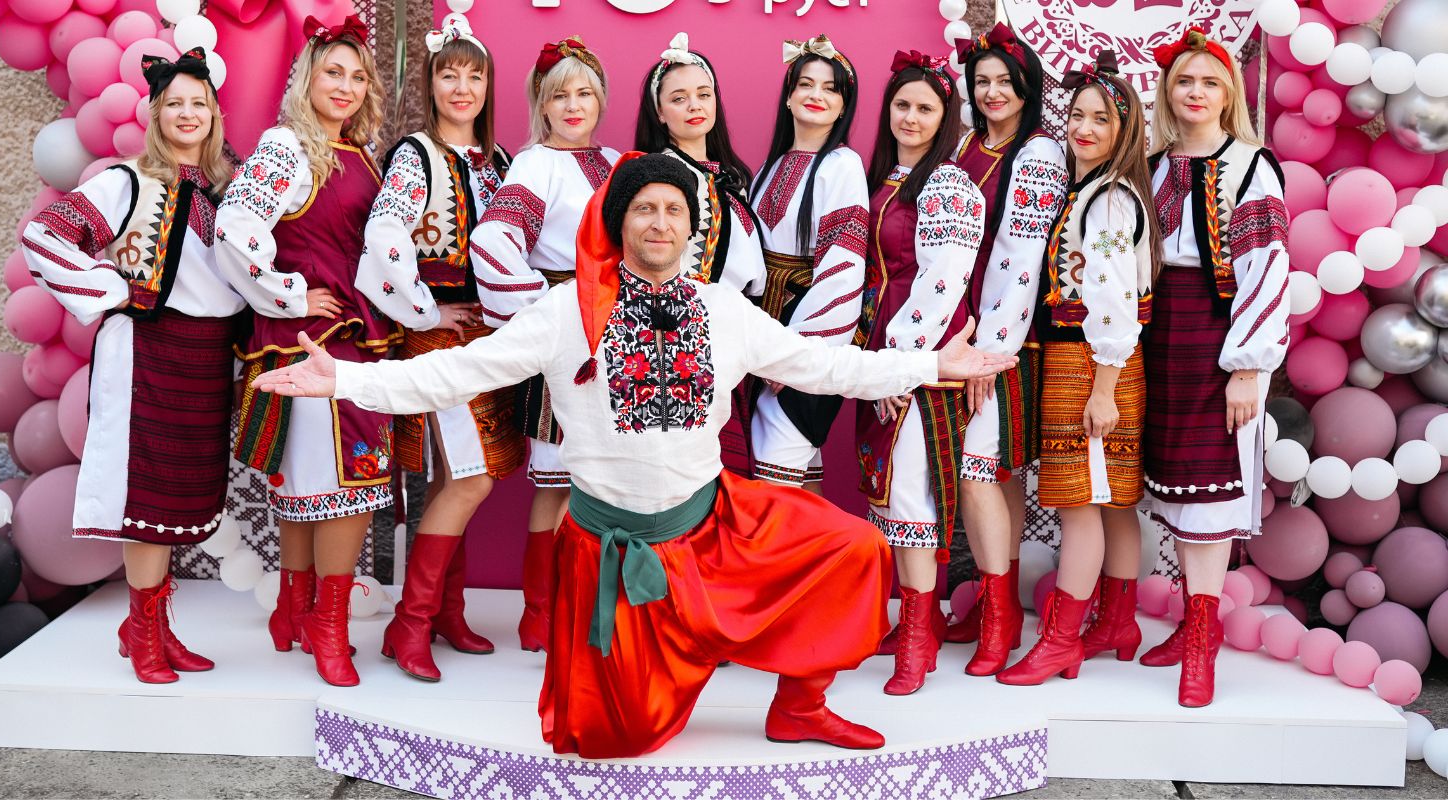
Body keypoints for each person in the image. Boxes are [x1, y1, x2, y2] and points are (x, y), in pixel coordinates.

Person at [250, 153, 1020, 758]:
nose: (659, 221)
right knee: (612, 741)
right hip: (613, 554)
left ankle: (800, 706)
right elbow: (453, 372)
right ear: (618, 223)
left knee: (850, 549)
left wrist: (931, 364)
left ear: (691, 228)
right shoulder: (564, 313)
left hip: (716, 527)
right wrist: (343, 379)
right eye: (644, 208)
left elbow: (826, 365)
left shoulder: (723, 309)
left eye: (674, 210)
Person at [20, 49, 241, 685]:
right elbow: (44, 236)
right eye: (175, 104)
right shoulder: (126, 183)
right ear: (155, 114)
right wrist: (112, 289)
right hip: (148, 352)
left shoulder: (226, 188)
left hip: (205, 357)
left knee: (179, 498)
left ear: (214, 114)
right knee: (147, 494)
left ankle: (153, 625)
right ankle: (143, 631)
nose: (188, 113)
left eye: (199, 103)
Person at [215, 15, 390, 687]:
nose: (345, 86)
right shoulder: (289, 146)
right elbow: (234, 227)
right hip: (317, 342)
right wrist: (289, 293)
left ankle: (293, 611)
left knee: (316, 484)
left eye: (357, 76)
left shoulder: (358, 151)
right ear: (306, 79)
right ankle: (328, 628)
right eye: (332, 72)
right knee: (345, 486)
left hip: (346, 341)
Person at [996, 52, 1159, 686]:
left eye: (1101, 119)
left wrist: (1104, 388)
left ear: (1125, 130)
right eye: (1077, 116)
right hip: (1097, 360)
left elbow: (1114, 298)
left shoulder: (1110, 201)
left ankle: (1060, 641)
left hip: (1092, 362)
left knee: (1081, 502)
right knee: (1111, 501)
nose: (1084, 129)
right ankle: (1117, 622)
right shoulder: (1092, 192)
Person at [363, 10, 515, 682]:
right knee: (469, 476)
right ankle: (412, 619)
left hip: (489, 340)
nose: (461, 88)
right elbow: (383, 237)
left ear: (488, 87)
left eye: (473, 77)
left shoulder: (499, 162)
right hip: (441, 338)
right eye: (449, 75)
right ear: (431, 84)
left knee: (462, 479)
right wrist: (425, 306)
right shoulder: (416, 154)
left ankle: (447, 611)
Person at [1140, 28, 1289, 708]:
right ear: (1167, 92)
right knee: (1174, 480)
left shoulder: (1251, 166)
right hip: (1158, 330)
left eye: (1209, 82)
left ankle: (1202, 641)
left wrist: (1247, 366)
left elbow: (1267, 269)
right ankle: (1192, 620)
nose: (1195, 92)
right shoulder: (1152, 165)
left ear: (1229, 94)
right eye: (1184, 81)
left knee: (1210, 484)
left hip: (1218, 329)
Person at [468, 36, 620, 654]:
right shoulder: (534, 164)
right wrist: (547, 309)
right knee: (558, 478)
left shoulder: (615, 161)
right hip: (567, 332)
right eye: (560, 95)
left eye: (585, 93)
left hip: (617, 330)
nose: (574, 105)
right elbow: (493, 240)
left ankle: (586, 607)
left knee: (602, 478)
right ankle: (540, 612)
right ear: (542, 104)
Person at [855, 50, 984, 695]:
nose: (910, 117)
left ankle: (916, 641)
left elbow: (941, 282)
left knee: (910, 494)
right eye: (901, 105)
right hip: (879, 350)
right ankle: (919, 619)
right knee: (886, 492)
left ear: (944, 118)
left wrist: (899, 366)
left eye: (925, 108)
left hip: (920, 353)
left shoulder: (948, 186)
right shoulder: (884, 179)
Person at [946, 23, 1069, 675]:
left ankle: (998, 620)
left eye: (1006, 82)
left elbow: (1022, 262)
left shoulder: (1039, 153)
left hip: (1005, 338)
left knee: (977, 472)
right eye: (982, 81)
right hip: (964, 333)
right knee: (995, 476)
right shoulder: (971, 143)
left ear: (1028, 88)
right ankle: (1000, 606)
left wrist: (990, 354)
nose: (993, 92)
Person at [632, 31, 766, 475]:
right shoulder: (660, 177)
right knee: (690, 479)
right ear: (659, 111)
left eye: (703, 94)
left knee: (729, 484)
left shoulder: (729, 176)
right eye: (679, 98)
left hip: (731, 341)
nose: (694, 106)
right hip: (681, 346)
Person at [749, 35, 868, 493]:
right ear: (788, 96)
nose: (816, 95)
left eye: (830, 88)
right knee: (794, 472)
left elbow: (843, 265)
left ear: (843, 106)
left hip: (808, 331)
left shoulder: (842, 165)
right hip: (766, 330)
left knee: (777, 472)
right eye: (806, 84)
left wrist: (797, 352)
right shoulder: (771, 165)